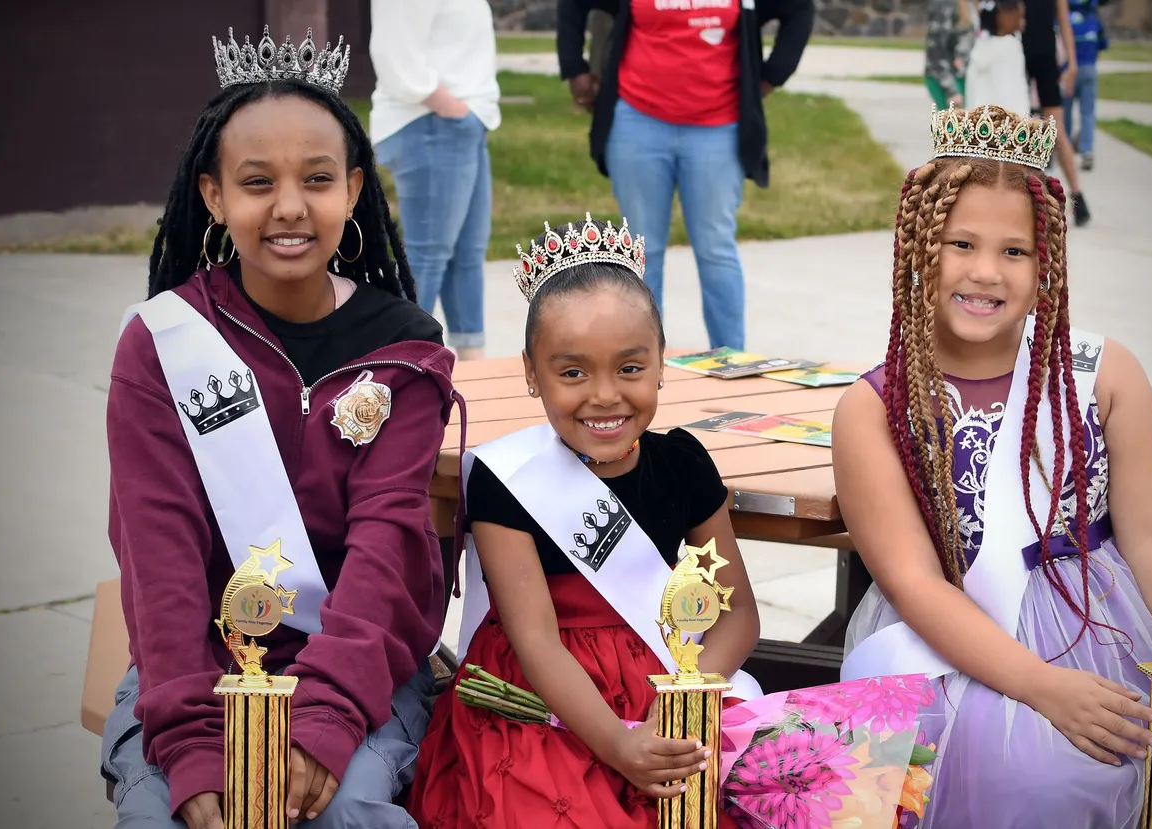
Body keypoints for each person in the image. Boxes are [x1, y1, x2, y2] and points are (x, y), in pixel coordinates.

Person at [832, 103, 1152, 827]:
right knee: (1039, 781)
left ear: (1047, 262)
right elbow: (916, 583)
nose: (986, 272)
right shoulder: (875, 406)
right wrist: (1042, 687)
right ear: (921, 248)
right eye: (961, 244)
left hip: (1111, 628)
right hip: (958, 645)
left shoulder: (1106, 371)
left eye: (1014, 251)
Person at [99, 25, 457, 828]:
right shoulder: (163, 345)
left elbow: (384, 551)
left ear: (355, 188)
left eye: (318, 179)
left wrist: (324, 723)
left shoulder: (404, 348)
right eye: (257, 181)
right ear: (214, 197)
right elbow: (159, 563)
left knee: (344, 814)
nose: (290, 206)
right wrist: (190, 745)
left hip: (363, 669)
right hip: (195, 669)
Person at [406, 215, 763, 828]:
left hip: (669, 679)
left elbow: (739, 614)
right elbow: (536, 638)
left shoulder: (682, 464)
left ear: (660, 362)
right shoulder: (507, 481)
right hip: (544, 699)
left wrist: (688, 699)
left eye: (629, 368)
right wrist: (618, 744)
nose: (604, 396)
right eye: (572, 372)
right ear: (530, 372)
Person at [555, 1, 816, 352]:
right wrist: (575, 67)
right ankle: (640, 361)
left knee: (716, 247)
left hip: (719, 129)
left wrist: (770, 76)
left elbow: (798, 9)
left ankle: (731, 358)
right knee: (642, 251)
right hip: (638, 122)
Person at [369, 0, 500, 360]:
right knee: (427, 257)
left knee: (467, 254)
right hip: (430, 122)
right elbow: (393, 52)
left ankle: (474, 369)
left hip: (462, 122)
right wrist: (451, 109)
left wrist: (466, 117)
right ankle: (397, 367)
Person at [1022, 0, 1092, 225]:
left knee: (1056, 127)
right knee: (1021, 125)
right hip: (1018, 54)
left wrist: (1072, 63)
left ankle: (1077, 194)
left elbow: (1064, 20)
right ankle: (1023, 193)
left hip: (1043, 55)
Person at [1062, 0, 1108, 171]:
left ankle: (1063, 150)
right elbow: (1102, 43)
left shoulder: (1063, 17)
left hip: (1067, 71)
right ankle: (1087, 151)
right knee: (1087, 112)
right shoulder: (1092, 17)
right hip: (1089, 67)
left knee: (1065, 112)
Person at [965, 0, 1031, 118]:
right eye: (1019, 18)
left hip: (982, 120)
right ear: (1003, 16)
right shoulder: (1011, 45)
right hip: (1008, 121)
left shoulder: (980, 46)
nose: (1022, 23)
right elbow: (1015, 91)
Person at [926, 0, 975, 111]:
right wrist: (951, 90)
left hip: (964, 77)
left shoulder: (969, 4)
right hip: (947, 79)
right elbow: (936, 50)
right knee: (953, 126)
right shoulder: (943, 5)